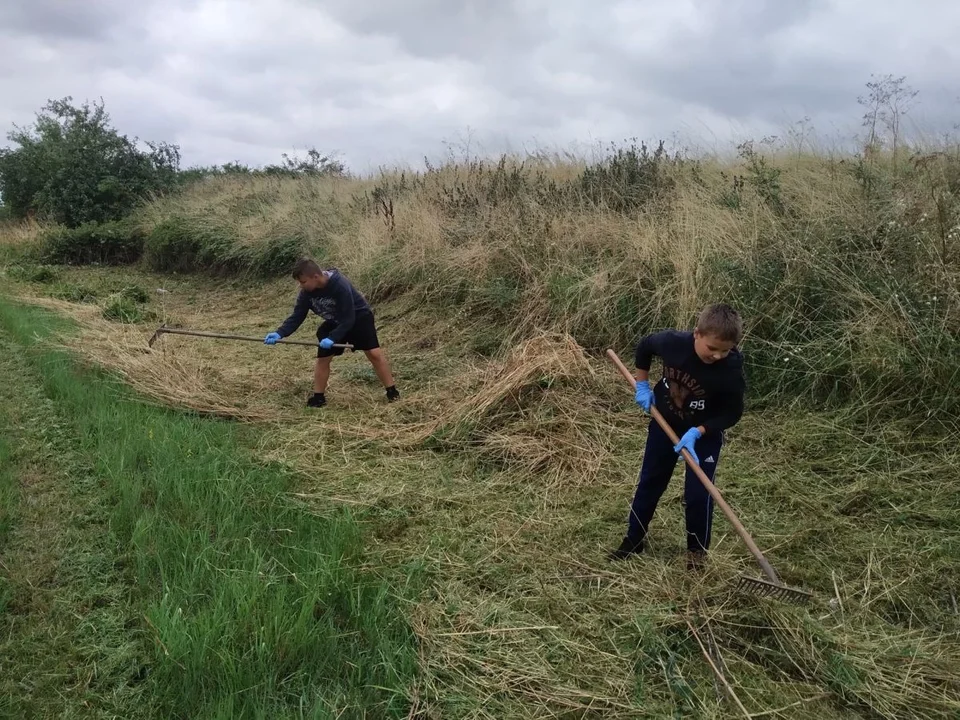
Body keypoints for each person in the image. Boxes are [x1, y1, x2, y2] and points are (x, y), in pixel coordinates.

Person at [608, 303, 746, 570]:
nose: (718, 356)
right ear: (697, 333)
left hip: (703, 434)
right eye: (712, 348)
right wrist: (643, 383)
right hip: (665, 423)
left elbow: (732, 413)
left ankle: (696, 556)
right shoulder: (673, 343)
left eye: (725, 350)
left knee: (698, 494)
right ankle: (634, 540)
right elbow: (645, 346)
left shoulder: (731, 370)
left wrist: (699, 432)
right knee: (651, 481)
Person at [264, 258, 399, 407]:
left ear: (315, 277)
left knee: (373, 354)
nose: (300, 286)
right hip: (335, 322)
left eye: (302, 282)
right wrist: (280, 333)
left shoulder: (339, 285)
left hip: (359, 318)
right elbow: (297, 316)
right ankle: (318, 398)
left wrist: (333, 337)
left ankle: (392, 392)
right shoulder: (306, 293)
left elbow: (348, 318)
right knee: (323, 358)